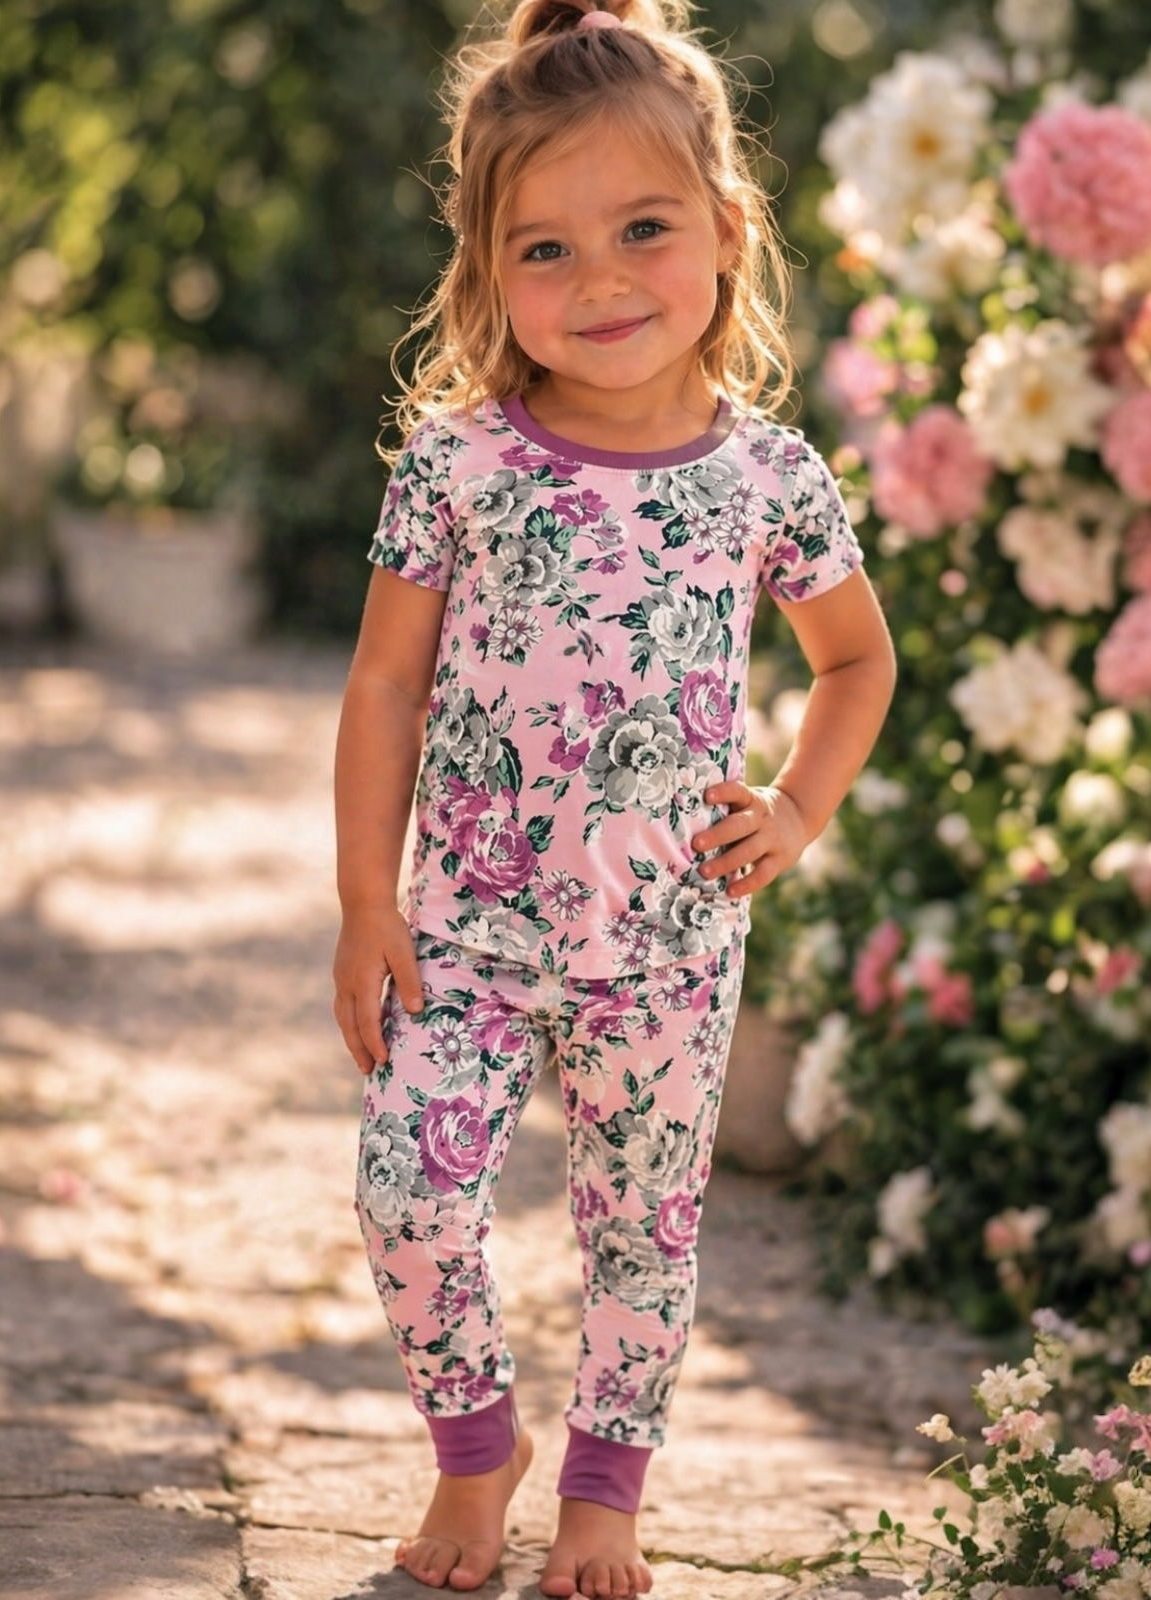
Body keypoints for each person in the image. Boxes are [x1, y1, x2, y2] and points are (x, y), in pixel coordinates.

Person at [332, 1, 896, 1594]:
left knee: (641, 1231)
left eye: (642, 231)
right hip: (467, 920)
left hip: (667, 938)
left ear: (725, 234)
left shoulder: (766, 476)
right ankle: (474, 1446)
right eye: (546, 251)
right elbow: (381, 686)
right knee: (407, 1186)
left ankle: (601, 1501)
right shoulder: (459, 464)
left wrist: (796, 809)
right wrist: (366, 901)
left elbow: (856, 663)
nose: (601, 284)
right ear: (484, 271)